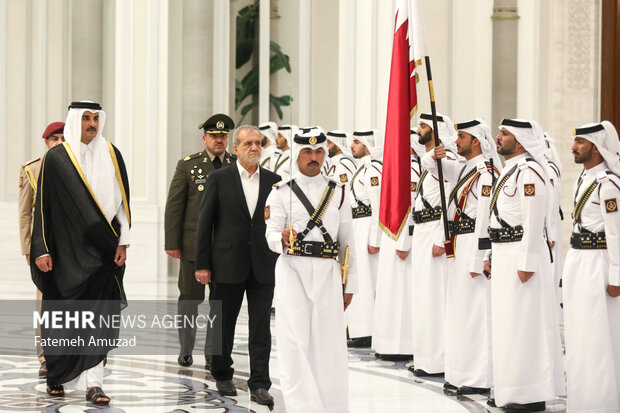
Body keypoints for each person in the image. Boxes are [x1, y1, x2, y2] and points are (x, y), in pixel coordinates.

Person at [30, 101, 131, 405]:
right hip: (64, 252)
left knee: (100, 317)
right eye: (85, 118)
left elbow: (122, 204)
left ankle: (94, 384)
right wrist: (42, 249)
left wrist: (123, 242)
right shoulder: (57, 158)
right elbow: (43, 208)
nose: (91, 123)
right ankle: (57, 375)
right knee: (63, 315)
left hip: (104, 250)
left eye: (95, 118)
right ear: (76, 120)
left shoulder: (112, 154)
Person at [264, 127, 357, 413]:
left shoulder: (338, 192)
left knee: (329, 341)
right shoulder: (281, 191)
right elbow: (270, 233)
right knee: (294, 341)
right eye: (307, 151)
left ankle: (331, 404)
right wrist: (279, 238)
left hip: (328, 274)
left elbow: (347, 241)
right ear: (297, 154)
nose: (313, 157)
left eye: (319, 152)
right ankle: (301, 405)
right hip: (292, 270)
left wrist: (349, 284)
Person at [194, 125, 280, 405]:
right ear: (236, 149)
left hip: (263, 264)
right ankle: (222, 374)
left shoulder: (274, 181)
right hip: (226, 262)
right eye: (247, 144)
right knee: (222, 323)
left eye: (258, 143)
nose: (254, 148)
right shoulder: (220, 178)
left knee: (260, 327)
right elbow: (205, 224)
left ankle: (259, 383)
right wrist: (202, 264)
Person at [488, 118, 564, 411]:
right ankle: (510, 388)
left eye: (504, 133)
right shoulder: (511, 170)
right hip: (505, 253)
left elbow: (534, 223)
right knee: (508, 324)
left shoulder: (530, 171)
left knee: (524, 325)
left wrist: (527, 262)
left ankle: (528, 393)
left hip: (522, 256)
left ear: (519, 140)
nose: (498, 137)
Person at [423, 119, 500, 394]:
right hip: (458, 242)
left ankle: (479, 378)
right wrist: (436, 153)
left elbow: (484, 219)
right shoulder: (465, 169)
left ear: (476, 141)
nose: (457, 142)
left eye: (462, 137)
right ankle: (461, 372)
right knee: (459, 311)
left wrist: (480, 258)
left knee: (476, 312)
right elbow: (430, 165)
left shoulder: (485, 172)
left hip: (472, 245)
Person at [164, 114, 236, 368]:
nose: (219, 140)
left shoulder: (236, 165)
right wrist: (172, 242)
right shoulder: (188, 166)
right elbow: (175, 206)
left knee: (219, 303)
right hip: (194, 247)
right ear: (204, 138)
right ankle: (186, 348)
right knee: (190, 301)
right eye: (214, 136)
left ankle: (212, 352)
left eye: (223, 136)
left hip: (225, 249)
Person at [563, 121, 620, 412]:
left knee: (597, 336)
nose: (573, 147)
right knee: (579, 334)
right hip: (579, 260)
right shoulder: (583, 179)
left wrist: (616, 276)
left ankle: (601, 404)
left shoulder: (608, 184)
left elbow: (616, 234)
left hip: (598, 264)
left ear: (596, 148)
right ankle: (582, 400)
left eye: (580, 143)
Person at [404, 112, 457, 377]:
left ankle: (439, 359)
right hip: (422, 230)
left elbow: (452, 199)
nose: (419, 129)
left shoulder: (445, 160)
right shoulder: (429, 161)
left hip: (436, 229)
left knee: (436, 298)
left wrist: (441, 239)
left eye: (424, 126)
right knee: (423, 297)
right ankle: (424, 357)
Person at [18, 121, 65, 378]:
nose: (58, 142)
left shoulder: (79, 167)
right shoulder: (33, 169)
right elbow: (25, 213)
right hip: (44, 247)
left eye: (62, 138)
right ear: (46, 142)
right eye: (54, 138)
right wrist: (28, 248)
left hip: (72, 248)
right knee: (45, 303)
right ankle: (45, 357)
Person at [372, 130, 422, 360]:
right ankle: (388, 343)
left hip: (401, 238)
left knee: (400, 292)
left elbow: (409, 207)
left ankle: (401, 345)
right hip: (391, 234)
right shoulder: (399, 167)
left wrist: (404, 242)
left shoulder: (411, 169)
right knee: (389, 290)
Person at [346, 130, 382, 348]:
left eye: (357, 142)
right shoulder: (364, 168)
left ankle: (367, 330)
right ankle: (358, 328)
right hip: (358, 225)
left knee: (367, 280)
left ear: (367, 145)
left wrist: (375, 239)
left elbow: (378, 207)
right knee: (359, 278)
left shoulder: (373, 169)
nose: (352, 145)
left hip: (367, 226)